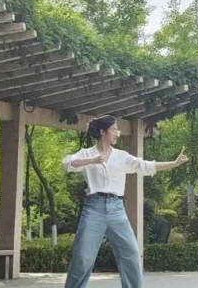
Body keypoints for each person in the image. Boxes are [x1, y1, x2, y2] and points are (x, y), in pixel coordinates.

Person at [62, 114, 188, 288]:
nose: (117, 133)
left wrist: (174, 163)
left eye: (117, 130)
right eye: (114, 130)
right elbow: (67, 163)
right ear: (103, 132)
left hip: (116, 210)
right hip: (94, 209)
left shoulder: (121, 156)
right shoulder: (87, 153)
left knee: (131, 253)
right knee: (83, 257)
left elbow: (146, 165)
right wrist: (94, 160)